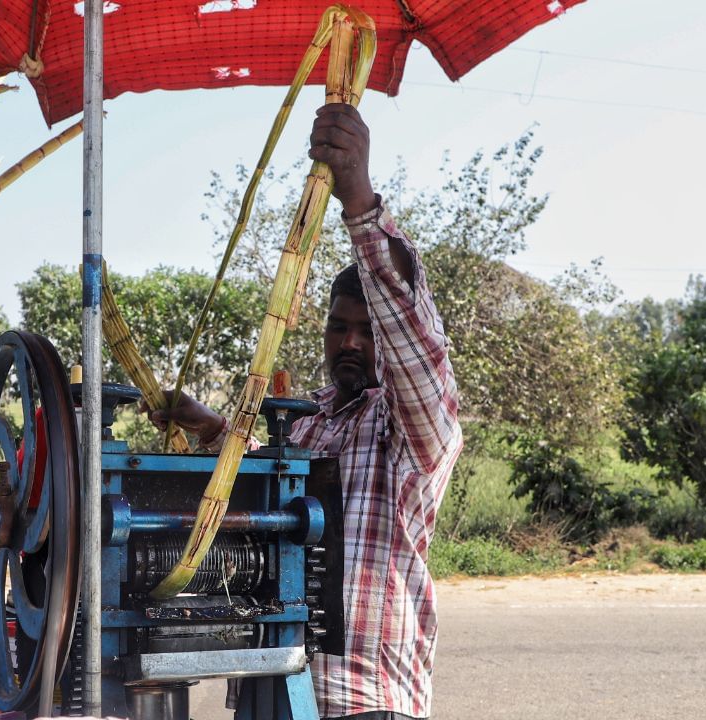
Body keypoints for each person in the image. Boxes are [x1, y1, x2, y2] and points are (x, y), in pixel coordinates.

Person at [145, 103, 463, 720]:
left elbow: (418, 353)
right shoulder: (307, 423)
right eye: (338, 328)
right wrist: (209, 426)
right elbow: (261, 494)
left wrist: (360, 201)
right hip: (269, 691)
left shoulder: (412, 432)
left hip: (362, 700)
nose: (350, 343)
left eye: (367, 331)